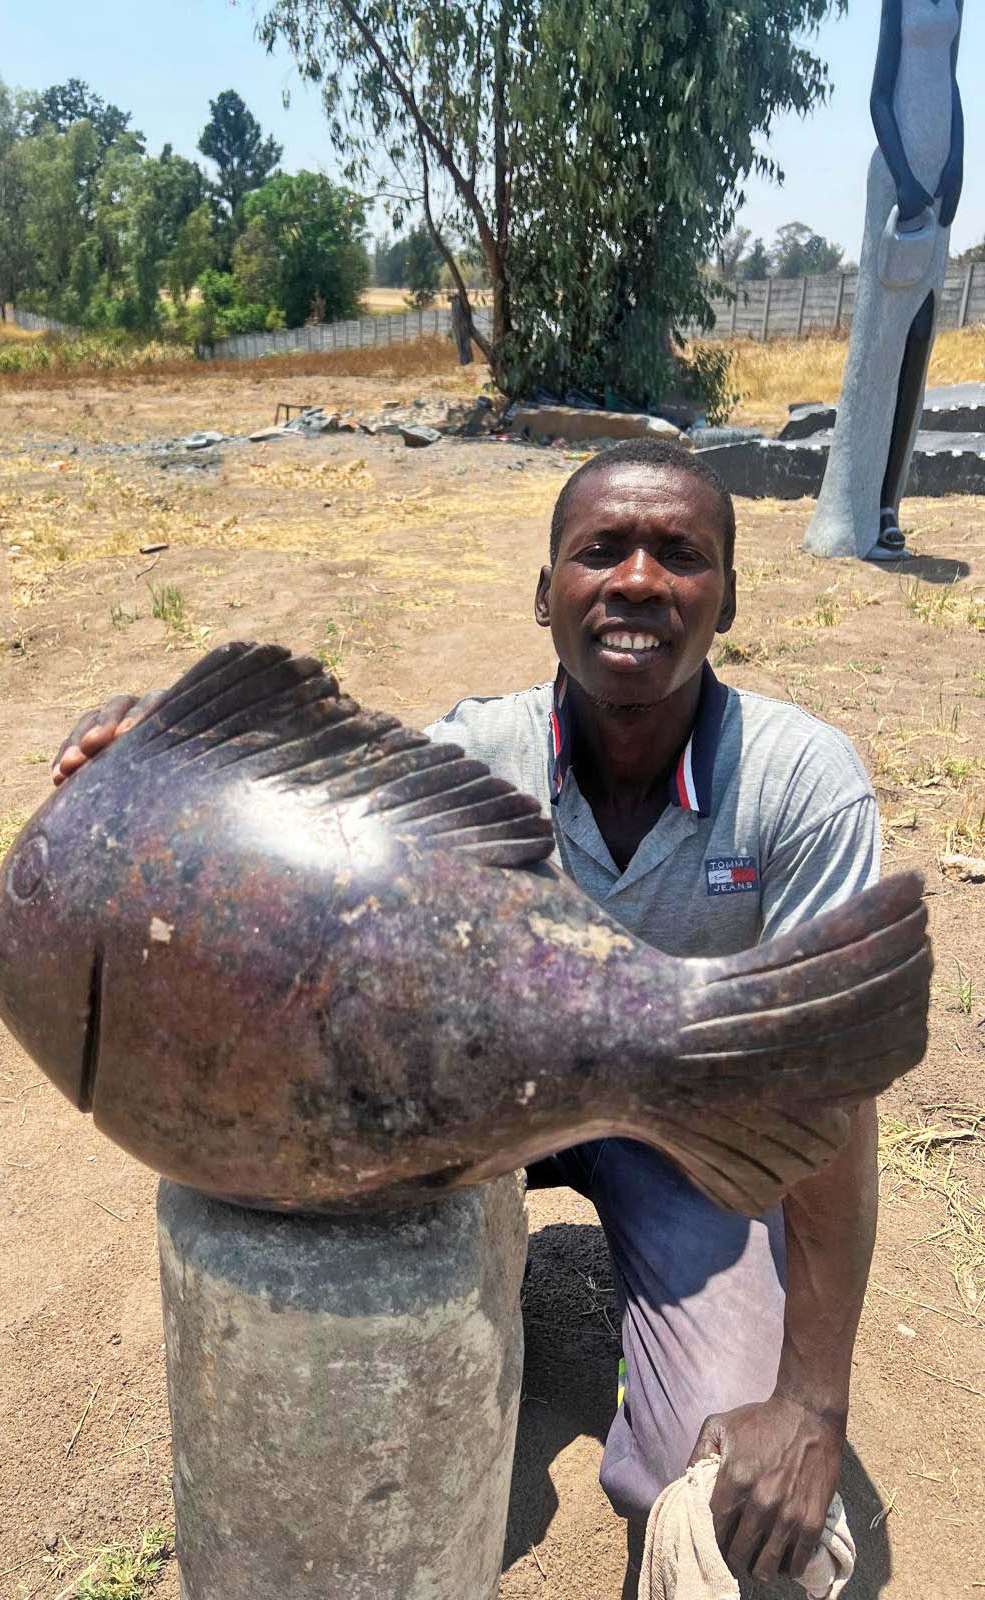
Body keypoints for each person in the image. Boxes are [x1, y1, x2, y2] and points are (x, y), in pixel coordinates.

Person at [52, 438, 882, 1592]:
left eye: (680, 553)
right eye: (601, 551)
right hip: (493, 1104)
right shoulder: (476, 755)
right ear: (547, 595)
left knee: (728, 1496)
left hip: (680, 1131)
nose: (638, 579)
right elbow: (321, 802)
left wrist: (809, 1400)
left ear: (728, 594)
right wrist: (173, 751)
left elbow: (826, 1075)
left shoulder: (800, 780)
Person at [805, 0, 964, 563]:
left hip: (939, 191)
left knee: (920, 339)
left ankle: (888, 508)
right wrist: (905, 178)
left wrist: (956, 167)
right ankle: (853, 509)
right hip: (898, 189)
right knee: (879, 349)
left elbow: (952, 81)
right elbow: (879, 97)